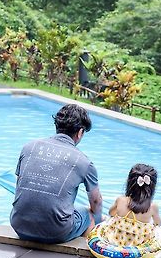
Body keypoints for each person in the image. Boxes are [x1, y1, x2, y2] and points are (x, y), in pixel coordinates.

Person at [10, 104, 103, 244]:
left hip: (19, 225)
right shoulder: (84, 162)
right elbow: (96, 202)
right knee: (90, 215)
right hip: (56, 232)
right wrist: (99, 219)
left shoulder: (29, 147)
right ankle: (80, 256)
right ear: (80, 132)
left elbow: (19, 186)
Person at [106, 163, 161, 246]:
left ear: (129, 182)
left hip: (116, 242)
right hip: (139, 246)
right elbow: (158, 223)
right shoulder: (153, 207)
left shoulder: (120, 200)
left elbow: (111, 213)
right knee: (159, 231)